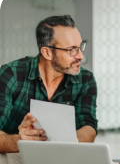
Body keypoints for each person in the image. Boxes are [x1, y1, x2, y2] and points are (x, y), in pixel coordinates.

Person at [0, 15, 98, 164]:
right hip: (16, 153)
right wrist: (20, 140)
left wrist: (62, 144)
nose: (81, 56)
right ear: (47, 53)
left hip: (63, 155)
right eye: (72, 50)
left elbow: (89, 128)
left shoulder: (86, 79)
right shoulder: (11, 74)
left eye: (80, 46)